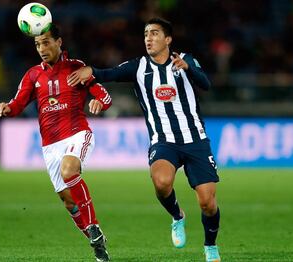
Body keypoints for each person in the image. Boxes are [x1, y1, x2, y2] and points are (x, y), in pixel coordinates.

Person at [68, 17, 221, 262]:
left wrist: (188, 68)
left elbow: (206, 84)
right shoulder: (138, 67)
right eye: (146, 34)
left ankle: (210, 245)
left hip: (195, 140)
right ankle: (177, 216)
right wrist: (91, 71)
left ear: (168, 39)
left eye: (155, 33)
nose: (148, 38)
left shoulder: (185, 60)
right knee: (161, 183)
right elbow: (110, 73)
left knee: (207, 203)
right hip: (163, 141)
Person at [0, 24, 111, 262]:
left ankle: (94, 228)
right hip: (50, 145)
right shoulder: (33, 75)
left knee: (69, 170)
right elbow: (17, 104)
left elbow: (104, 95)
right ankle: (95, 241)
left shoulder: (77, 67)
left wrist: (100, 102)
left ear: (59, 42)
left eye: (46, 42)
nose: (42, 48)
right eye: (38, 44)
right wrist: (6, 108)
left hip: (77, 133)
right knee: (69, 202)